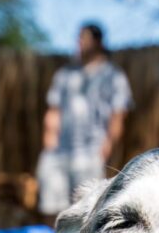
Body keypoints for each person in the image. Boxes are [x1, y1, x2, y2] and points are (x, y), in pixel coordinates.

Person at [37, 23, 133, 216]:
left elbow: (118, 115)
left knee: (86, 210)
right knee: (52, 208)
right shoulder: (65, 75)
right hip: (59, 152)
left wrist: (107, 146)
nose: (79, 43)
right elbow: (54, 110)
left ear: (98, 42)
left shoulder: (113, 76)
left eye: (84, 38)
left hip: (90, 153)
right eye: (78, 38)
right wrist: (50, 143)